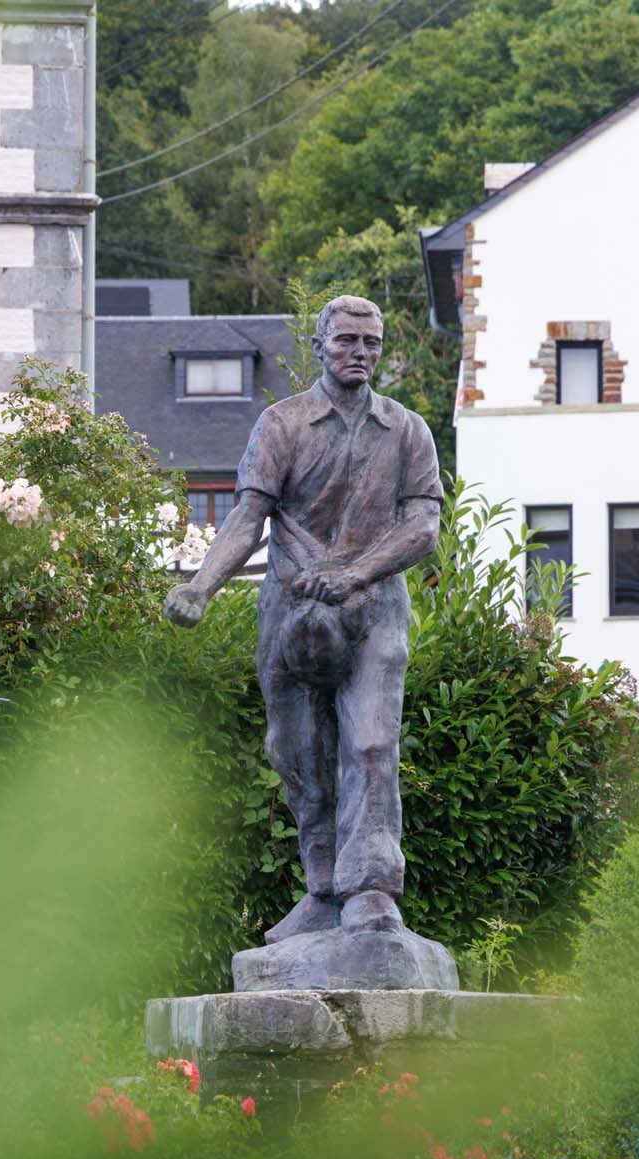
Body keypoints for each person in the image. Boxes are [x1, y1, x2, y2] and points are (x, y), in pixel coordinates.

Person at [163, 295, 441, 942]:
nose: (360, 353)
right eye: (346, 341)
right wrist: (201, 588)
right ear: (319, 345)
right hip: (288, 613)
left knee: (371, 744)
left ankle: (371, 891)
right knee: (298, 756)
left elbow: (423, 527)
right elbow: (246, 517)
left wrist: (354, 574)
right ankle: (321, 889)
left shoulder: (406, 431)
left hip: (373, 611)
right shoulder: (282, 425)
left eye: (370, 343)